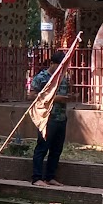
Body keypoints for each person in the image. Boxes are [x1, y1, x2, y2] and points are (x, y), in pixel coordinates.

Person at [29, 49, 70, 186]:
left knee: (56, 149)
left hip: (61, 118)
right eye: (59, 65)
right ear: (52, 63)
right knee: (42, 148)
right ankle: (37, 178)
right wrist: (53, 98)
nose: (61, 68)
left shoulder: (64, 78)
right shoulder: (41, 78)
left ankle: (50, 176)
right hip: (46, 118)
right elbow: (31, 96)